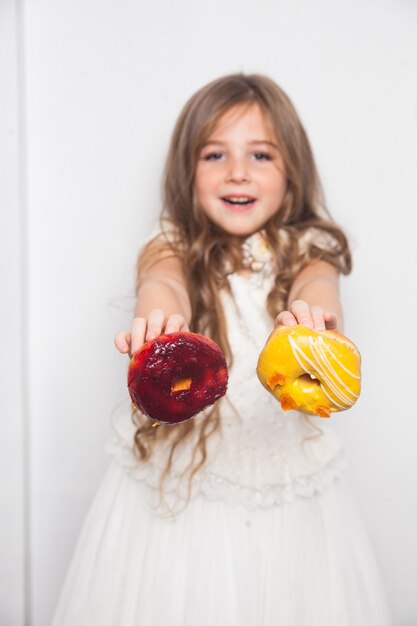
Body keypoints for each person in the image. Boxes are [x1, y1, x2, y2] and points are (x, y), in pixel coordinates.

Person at [52, 73, 391, 625]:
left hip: (285, 499)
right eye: (215, 154)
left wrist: (316, 327)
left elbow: (318, 291)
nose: (238, 171)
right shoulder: (171, 245)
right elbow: (162, 284)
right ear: (187, 171)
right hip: (179, 495)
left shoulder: (309, 250)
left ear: (292, 172)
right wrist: (159, 323)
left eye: (261, 154)